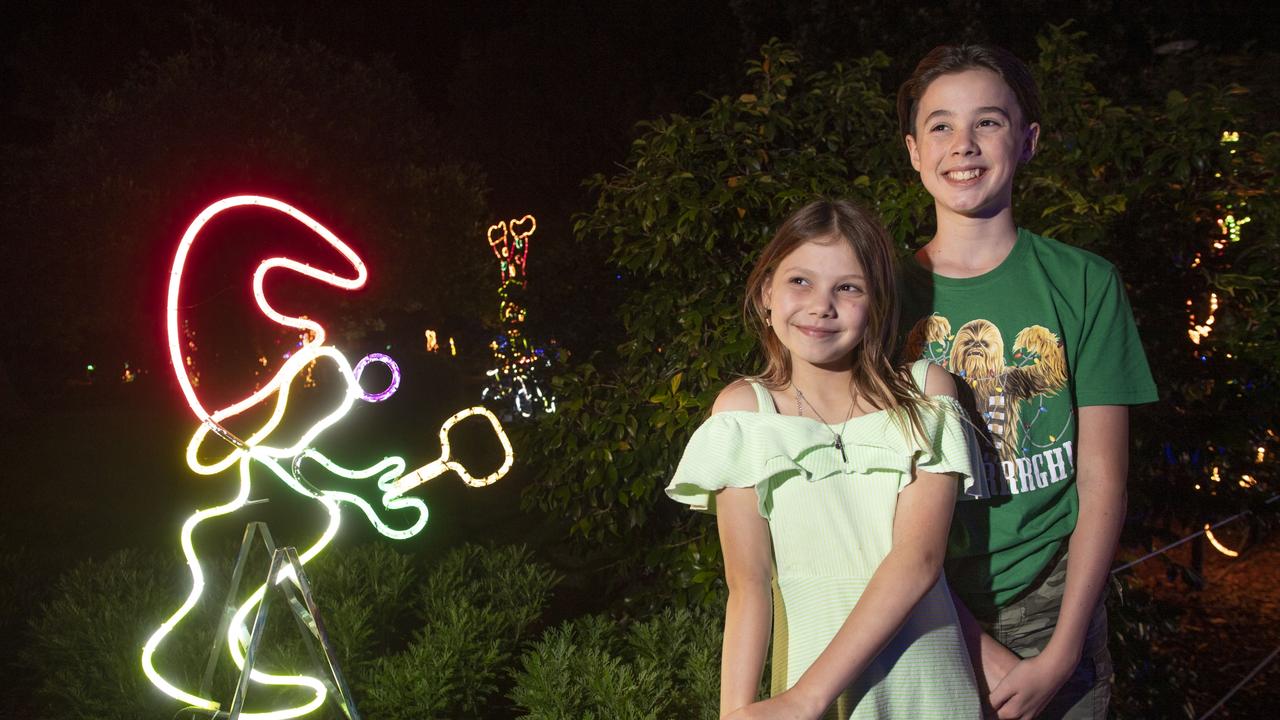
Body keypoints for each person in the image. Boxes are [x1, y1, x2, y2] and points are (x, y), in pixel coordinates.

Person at [895, 45, 1158, 719]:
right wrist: (970, 640)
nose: (965, 144)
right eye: (941, 126)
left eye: (989, 122)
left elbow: (1104, 480)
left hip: (1054, 604)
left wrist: (1064, 650)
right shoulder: (882, 297)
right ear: (914, 152)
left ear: (1028, 140)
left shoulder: (1085, 283)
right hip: (918, 603)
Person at [666, 199, 986, 719]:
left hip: (922, 682)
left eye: (848, 287)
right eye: (800, 282)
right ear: (767, 291)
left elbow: (918, 561)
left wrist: (803, 699)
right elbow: (747, 586)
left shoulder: (926, 394)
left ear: (877, 301)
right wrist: (735, 713)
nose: (821, 305)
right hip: (808, 689)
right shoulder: (743, 413)